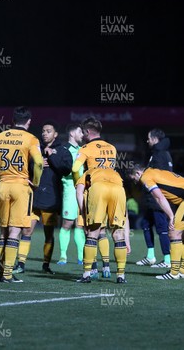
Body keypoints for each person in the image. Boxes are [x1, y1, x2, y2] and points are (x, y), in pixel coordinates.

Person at [0, 106, 44, 283]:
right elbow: (38, 163)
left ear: (13, 120)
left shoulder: (0, 136)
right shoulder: (30, 138)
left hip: (3, 186)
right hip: (21, 187)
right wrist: (36, 182)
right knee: (15, 231)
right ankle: (7, 273)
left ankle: (2, 271)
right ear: (29, 122)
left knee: (4, 231)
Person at [128, 164, 184, 280]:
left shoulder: (146, 177)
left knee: (173, 233)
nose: (136, 182)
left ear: (137, 173)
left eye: (134, 179)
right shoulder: (156, 171)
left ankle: (174, 273)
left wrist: (171, 216)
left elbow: (159, 198)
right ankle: (183, 271)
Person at [14, 120, 72, 275]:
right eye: (43, 131)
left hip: (51, 198)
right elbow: (25, 166)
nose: (45, 133)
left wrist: (51, 157)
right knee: (26, 230)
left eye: (48, 131)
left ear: (55, 134)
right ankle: (21, 263)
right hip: (33, 195)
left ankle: (46, 265)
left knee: (48, 233)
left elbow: (66, 170)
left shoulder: (62, 150)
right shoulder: (34, 148)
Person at [71, 116, 117, 279]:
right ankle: (106, 268)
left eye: (83, 132)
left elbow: (75, 168)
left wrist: (80, 183)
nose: (82, 135)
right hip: (112, 190)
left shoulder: (85, 148)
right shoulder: (112, 148)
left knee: (90, 231)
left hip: (93, 191)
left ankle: (89, 271)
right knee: (103, 231)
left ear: (88, 131)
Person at [75, 167, 130, 283]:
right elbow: (126, 214)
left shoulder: (88, 171)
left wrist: (84, 215)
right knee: (118, 233)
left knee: (93, 232)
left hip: (98, 188)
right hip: (118, 190)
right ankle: (121, 276)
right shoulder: (115, 172)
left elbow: (79, 191)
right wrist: (127, 240)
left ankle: (86, 275)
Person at [135, 128, 173, 268]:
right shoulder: (160, 153)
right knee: (146, 225)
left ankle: (167, 260)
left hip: (158, 198)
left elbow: (161, 178)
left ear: (155, 139)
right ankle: (150, 256)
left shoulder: (160, 154)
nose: (147, 140)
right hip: (153, 198)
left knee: (162, 229)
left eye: (149, 138)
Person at [58, 123, 86, 266]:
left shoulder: (84, 150)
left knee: (80, 225)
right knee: (67, 223)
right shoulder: (63, 150)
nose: (83, 135)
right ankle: (63, 256)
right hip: (70, 190)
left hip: (83, 190)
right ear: (72, 133)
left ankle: (81, 257)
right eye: (80, 132)